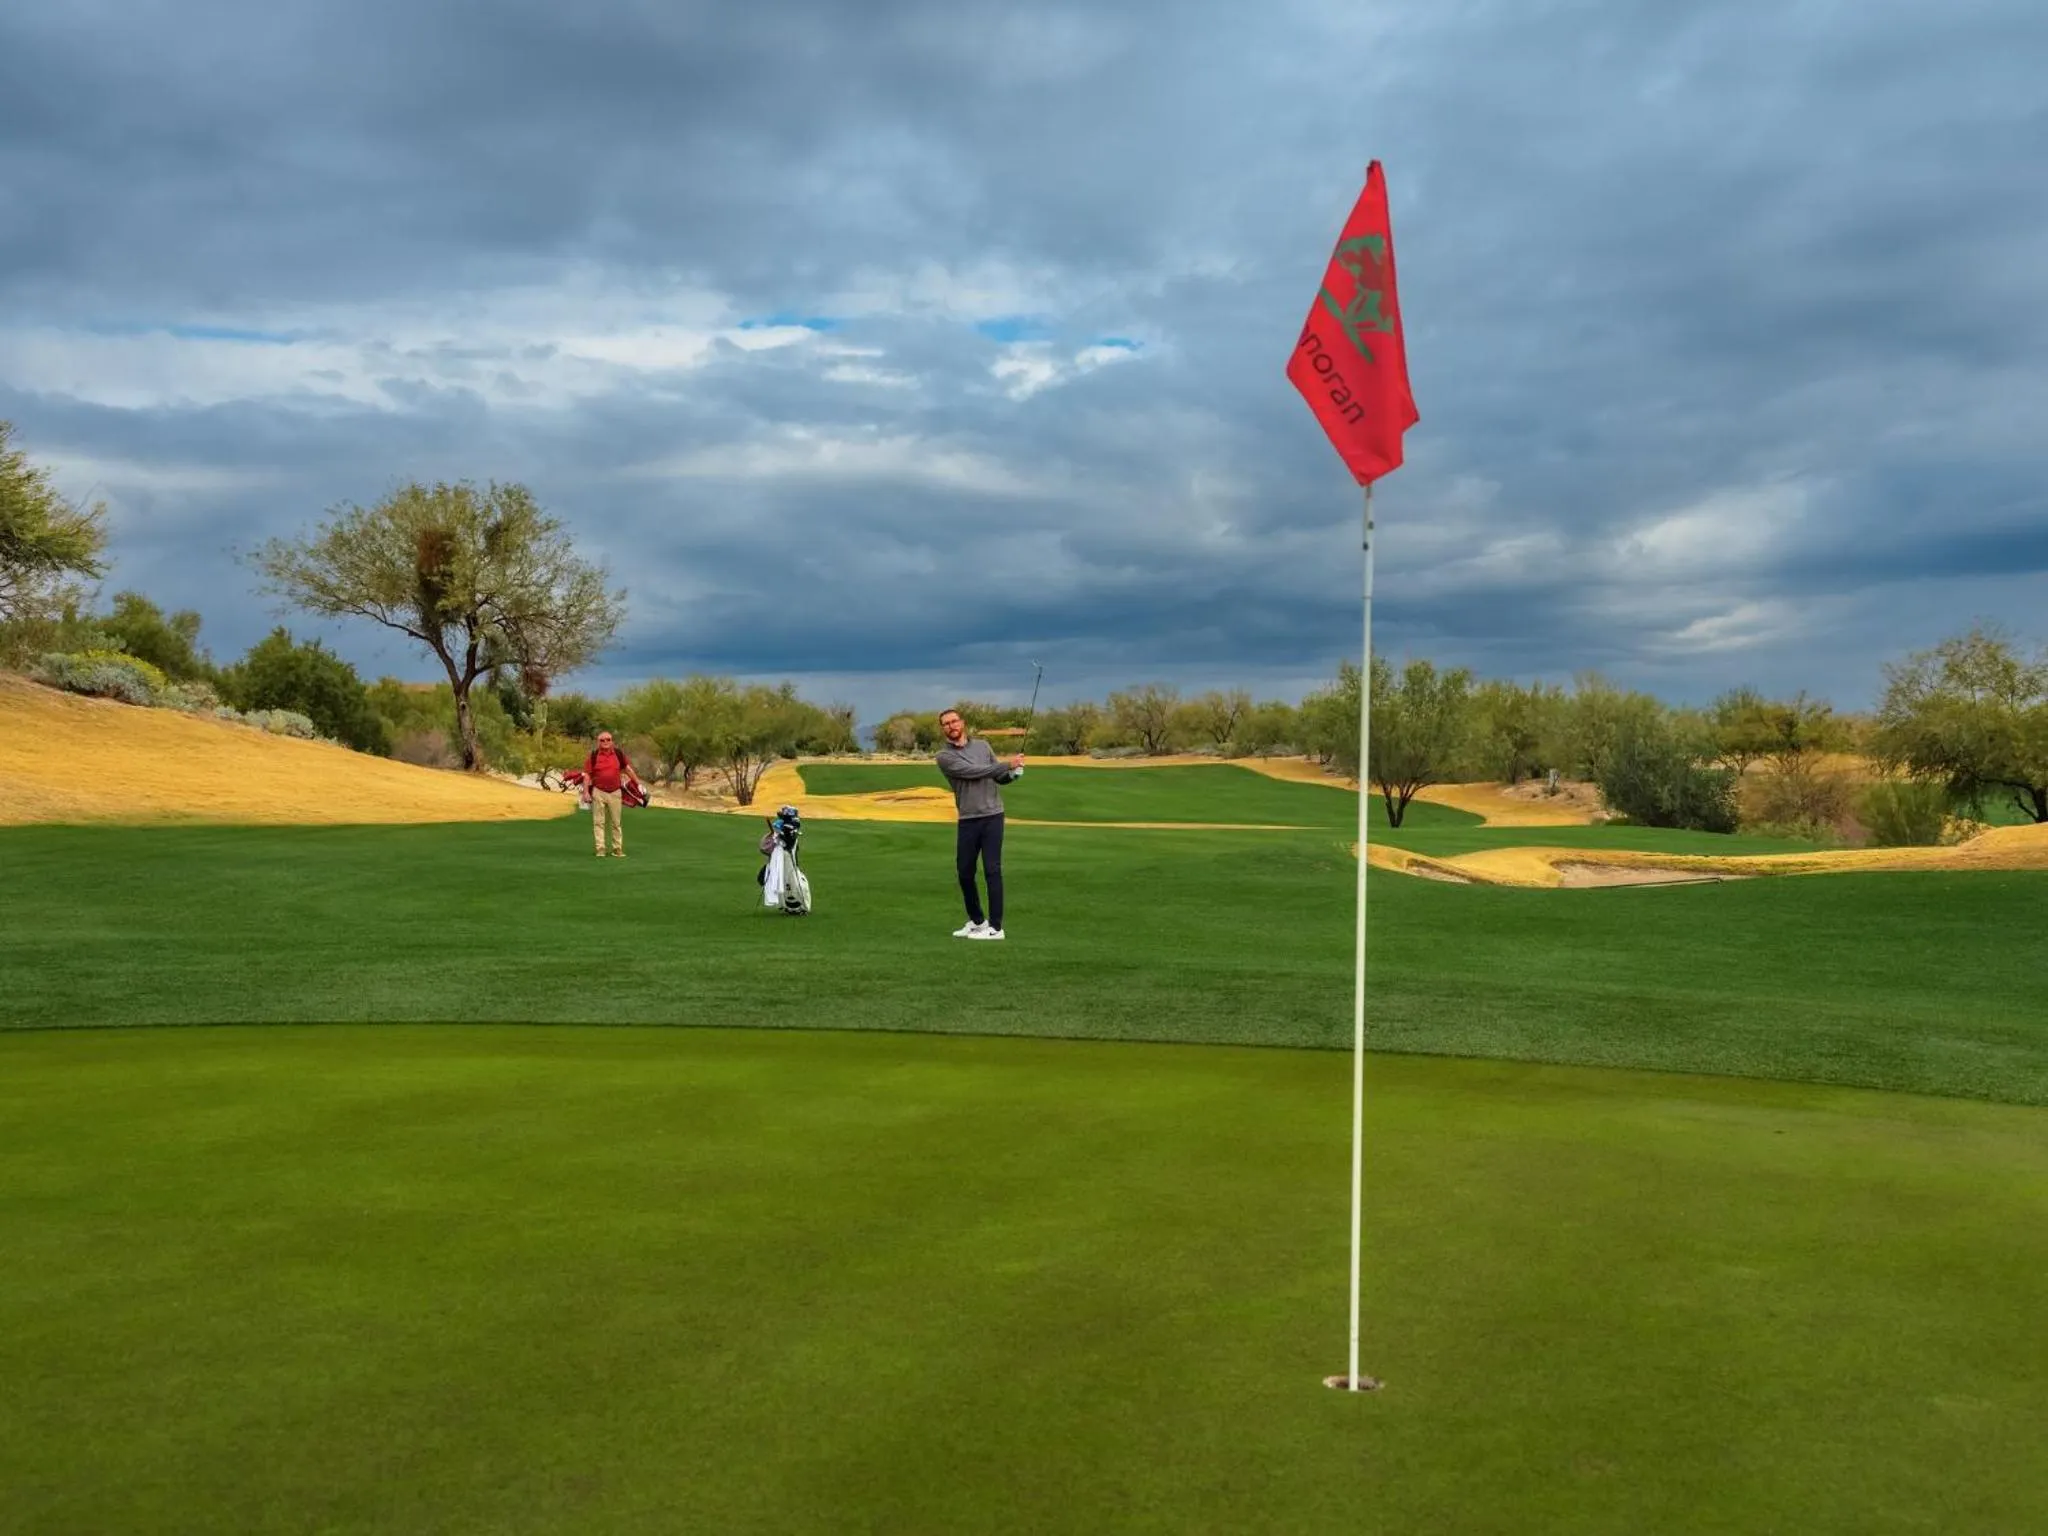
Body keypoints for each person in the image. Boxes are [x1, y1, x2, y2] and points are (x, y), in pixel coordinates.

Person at [935, 709, 1022, 940]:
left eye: (954, 721)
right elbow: (973, 772)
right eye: (946, 724)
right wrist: (1006, 765)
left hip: (993, 815)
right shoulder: (944, 756)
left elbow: (997, 778)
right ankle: (977, 921)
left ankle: (995, 928)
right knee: (965, 873)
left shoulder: (983, 746)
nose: (951, 726)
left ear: (962, 723)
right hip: (968, 818)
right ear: (943, 729)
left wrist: (1013, 773)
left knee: (992, 870)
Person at [584, 729, 641, 858]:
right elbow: (587, 775)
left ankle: (617, 849)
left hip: (615, 792)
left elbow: (627, 769)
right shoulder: (593, 756)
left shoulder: (618, 754)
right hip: (598, 791)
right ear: (598, 742)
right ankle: (600, 849)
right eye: (602, 740)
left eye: (608, 740)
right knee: (598, 822)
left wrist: (638, 783)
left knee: (616, 822)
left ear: (612, 741)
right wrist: (586, 792)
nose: (605, 742)